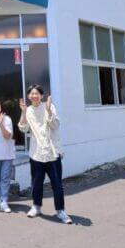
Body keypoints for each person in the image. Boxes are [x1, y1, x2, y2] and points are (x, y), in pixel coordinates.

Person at [18, 85, 72, 224]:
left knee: (57, 184)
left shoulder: (50, 107)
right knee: (36, 183)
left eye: (37, 93)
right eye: (32, 94)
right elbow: (23, 128)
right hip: (36, 153)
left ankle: (60, 210)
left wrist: (48, 110)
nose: (34, 96)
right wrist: (23, 112)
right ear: (29, 96)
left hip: (52, 152)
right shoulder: (28, 110)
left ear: (41, 96)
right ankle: (36, 206)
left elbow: (55, 125)